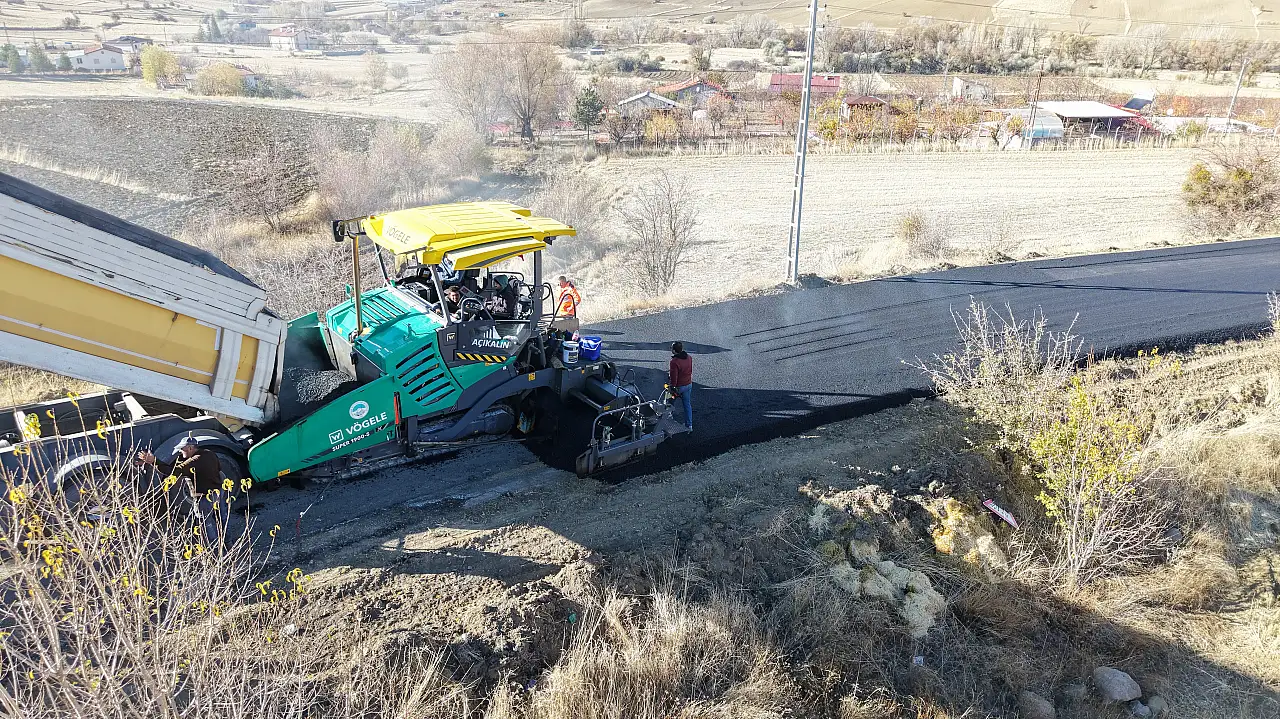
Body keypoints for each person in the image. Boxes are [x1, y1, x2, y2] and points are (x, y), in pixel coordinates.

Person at [138, 437, 224, 544]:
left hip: (204, 497)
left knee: (206, 523)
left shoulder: (194, 461)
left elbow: (172, 471)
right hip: (218, 491)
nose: (180, 451)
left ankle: (214, 547)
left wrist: (154, 461)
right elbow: (219, 469)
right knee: (222, 518)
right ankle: (227, 541)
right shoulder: (209, 454)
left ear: (190, 448)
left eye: (182, 448)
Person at [668, 341, 693, 431]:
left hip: (679, 387)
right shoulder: (689, 357)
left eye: (671, 348)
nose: (670, 349)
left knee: (669, 402)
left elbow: (674, 377)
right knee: (687, 405)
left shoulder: (674, 362)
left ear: (674, 351)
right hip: (688, 384)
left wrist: (672, 388)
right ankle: (689, 426)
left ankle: (668, 418)